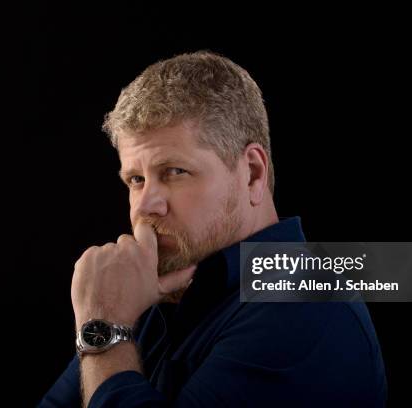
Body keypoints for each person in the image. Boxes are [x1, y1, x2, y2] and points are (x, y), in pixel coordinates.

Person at [39, 51, 387, 407]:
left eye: (175, 172)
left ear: (252, 173)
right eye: (136, 179)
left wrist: (105, 327)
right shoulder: (148, 298)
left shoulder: (307, 308)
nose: (144, 205)